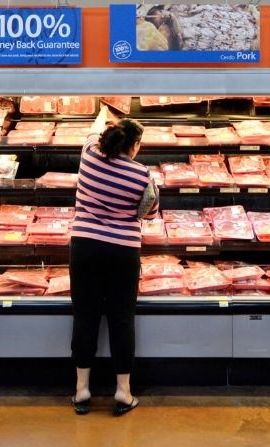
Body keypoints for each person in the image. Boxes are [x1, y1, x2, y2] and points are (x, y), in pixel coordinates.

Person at [69, 105, 159, 417]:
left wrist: (103, 110)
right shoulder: (142, 175)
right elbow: (150, 211)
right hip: (123, 252)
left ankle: (82, 389)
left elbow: (93, 130)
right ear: (134, 146)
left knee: (85, 317)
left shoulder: (90, 154)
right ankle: (123, 392)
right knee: (122, 319)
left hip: (85, 247)